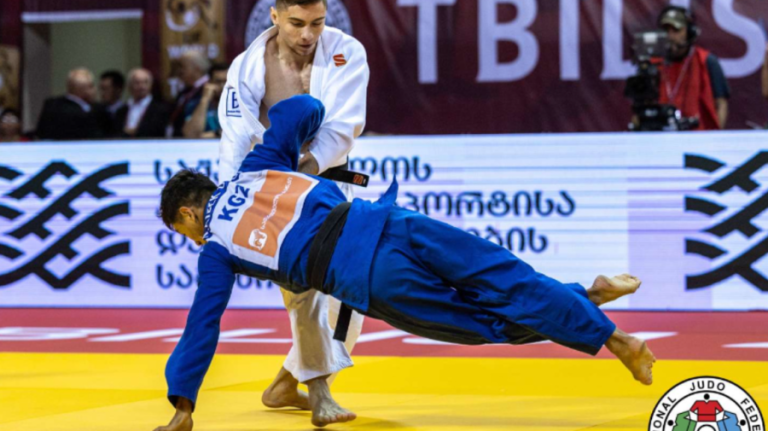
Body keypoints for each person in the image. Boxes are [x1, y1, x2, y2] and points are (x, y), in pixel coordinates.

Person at [153, 95, 656, 431]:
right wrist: (300, 152)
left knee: (481, 322)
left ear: (188, 212)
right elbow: (304, 107)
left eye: (185, 231)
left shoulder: (217, 248)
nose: (193, 239)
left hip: (368, 274)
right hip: (391, 220)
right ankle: (602, 319)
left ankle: (592, 311)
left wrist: (183, 402)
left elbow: (203, 324)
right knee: (505, 275)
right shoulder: (257, 167)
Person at [215, 0, 368, 424]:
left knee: (349, 299)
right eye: (297, 23)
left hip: (325, 180)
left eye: (317, 23)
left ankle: (286, 383)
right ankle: (320, 396)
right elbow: (235, 137)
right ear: (275, 16)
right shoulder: (247, 67)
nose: (307, 35)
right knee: (305, 292)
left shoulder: (346, 51)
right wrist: (228, 202)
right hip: (269, 190)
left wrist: (300, 171)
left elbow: (343, 127)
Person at [657, 6, 730, 130]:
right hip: (660, 137)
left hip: (699, 138)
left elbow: (721, 103)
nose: (670, 36)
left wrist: (717, 136)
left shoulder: (706, 61)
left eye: (676, 30)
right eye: (667, 31)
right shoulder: (656, 64)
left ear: (690, 32)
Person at [35, 68, 112, 140]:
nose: (95, 90)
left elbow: (40, 133)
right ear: (82, 89)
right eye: (91, 86)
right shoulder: (93, 112)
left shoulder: (51, 105)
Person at [115, 68, 170, 138]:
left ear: (151, 85)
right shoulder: (121, 110)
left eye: (145, 82)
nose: (142, 86)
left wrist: (134, 131)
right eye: (137, 83)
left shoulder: (161, 109)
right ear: (129, 86)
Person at [167, 51, 210, 138]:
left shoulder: (208, 89)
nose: (179, 71)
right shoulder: (184, 91)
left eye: (182, 66)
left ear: (197, 68)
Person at [182, 63, 228, 139]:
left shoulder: (242, 103)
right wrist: (205, 99)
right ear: (209, 83)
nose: (223, 86)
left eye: (226, 81)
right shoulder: (194, 104)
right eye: (218, 82)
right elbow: (191, 135)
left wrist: (210, 135)